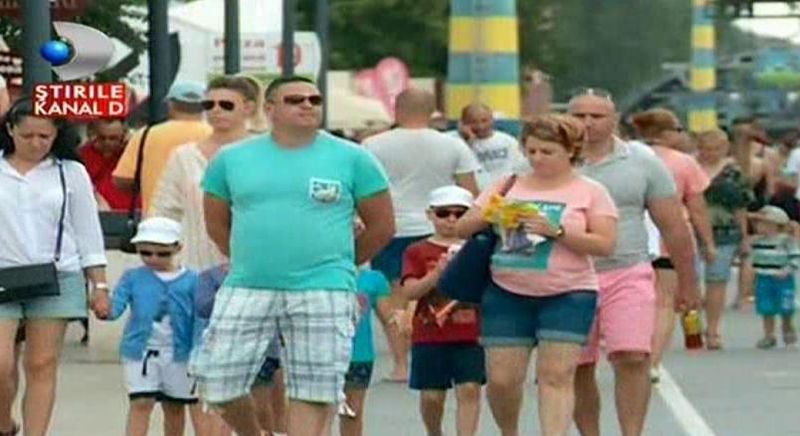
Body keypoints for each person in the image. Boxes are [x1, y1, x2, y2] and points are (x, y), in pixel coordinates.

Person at [189, 76, 394, 436]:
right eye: (295, 99)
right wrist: (251, 258)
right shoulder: (231, 159)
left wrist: (340, 265)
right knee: (218, 381)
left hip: (324, 287)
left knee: (315, 392)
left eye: (314, 99)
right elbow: (217, 224)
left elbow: (382, 226)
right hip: (247, 285)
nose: (307, 105)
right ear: (269, 109)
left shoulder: (354, 158)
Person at [457, 114, 618, 436]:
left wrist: (556, 231)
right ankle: (509, 431)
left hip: (569, 292)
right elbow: (462, 227)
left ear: (570, 151)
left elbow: (605, 244)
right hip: (507, 290)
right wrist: (492, 213)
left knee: (556, 375)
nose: (537, 158)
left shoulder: (590, 191)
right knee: (502, 380)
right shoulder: (507, 185)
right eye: (531, 151)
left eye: (547, 151)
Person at [568, 91, 699, 436]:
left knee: (632, 356)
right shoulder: (549, 159)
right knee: (577, 365)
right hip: (569, 277)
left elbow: (674, 225)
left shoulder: (642, 162)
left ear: (614, 120)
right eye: (579, 115)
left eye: (597, 116)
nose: (587, 123)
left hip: (627, 270)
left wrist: (688, 283)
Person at [150, 75, 267, 436]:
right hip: (195, 275)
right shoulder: (184, 156)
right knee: (200, 370)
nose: (216, 111)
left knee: (256, 375)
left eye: (226, 104)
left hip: (255, 277)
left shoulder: (266, 154)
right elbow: (163, 212)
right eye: (209, 104)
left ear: (248, 108)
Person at [0, 98, 109, 436]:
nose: (36, 143)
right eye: (27, 135)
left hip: (58, 275)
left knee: (42, 363)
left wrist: (99, 285)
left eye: (44, 136)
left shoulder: (70, 172)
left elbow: (87, 231)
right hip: (3, 273)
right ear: (10, 130)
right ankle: (4, 423)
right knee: (1, 363)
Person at [363, 88, 480, 382]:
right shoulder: (453, 145)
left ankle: (402, 364)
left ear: (396, 109)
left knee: (393, 295)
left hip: (392, 226)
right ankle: (440, 352)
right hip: (439, 225)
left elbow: (363, 189)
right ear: (432, 112)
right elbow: (470, 190)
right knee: (440, 293)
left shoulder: (373, 145)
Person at [629, 108, 715, 379]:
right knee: (664, 301)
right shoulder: (683, 162)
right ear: (664, 133)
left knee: (633, 298)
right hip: (670, 236)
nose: (681, 134)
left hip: (632, 237)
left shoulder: (627, 156)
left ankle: (634, 350)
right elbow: (697, 207)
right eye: (678, 129)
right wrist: (708, 242)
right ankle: (652, 362)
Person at [100, 217, 199, 436]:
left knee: (175, 407)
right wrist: (103, 308)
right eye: (145, 253)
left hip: (180, 354)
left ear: (178, 248)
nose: (153, 258)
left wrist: (199, 348)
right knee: (140, 402)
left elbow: (199, 319)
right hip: (140, 351)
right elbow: (115, 308)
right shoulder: (132, 278)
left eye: (162, 253)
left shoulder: (192, 280)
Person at [401, 186, 486, 436]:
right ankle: (434, 431)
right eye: (443, 213)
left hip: (471, 333)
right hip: (430, 334)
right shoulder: (417, 250)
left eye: (459, 214)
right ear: (430, 214)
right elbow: (410, 291)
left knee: (469, 388)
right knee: (432, 396)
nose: (451, 219)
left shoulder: (478, 247)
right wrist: (437, 273)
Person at [195, 264, 287, 436]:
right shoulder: (210, 276)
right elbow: (203, 307)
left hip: (265, 351)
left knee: (261, 407)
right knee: (224, 407)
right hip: (222, 351)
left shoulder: (272, 274)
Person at [113, 81, 213, 213]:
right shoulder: (217, 135)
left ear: (170, 104)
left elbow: (122, 180)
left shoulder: (146, 135)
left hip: (158, 217)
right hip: (205, 217)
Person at [696, 130, 753, 348]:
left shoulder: (733, 173)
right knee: (689, 281)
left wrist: (744, 237)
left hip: (725, 233)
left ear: (725, 149)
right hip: (691, 231)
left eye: (715, 149)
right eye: (706, 149)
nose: (710, 153)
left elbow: (741, 207)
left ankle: (712, 330)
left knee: (717, 280)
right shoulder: (690, 167)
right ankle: (693, 329)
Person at [323, 264, 390, 436]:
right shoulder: (321, 275)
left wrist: (401, 319)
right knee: (322, 412)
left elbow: (388, 317)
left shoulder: (372, 279)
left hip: (360, 355)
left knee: (352, 411)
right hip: (326, 354)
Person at [747, 206, 800, 349]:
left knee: (786, 307)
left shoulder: (786, 241)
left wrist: (787, 269)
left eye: (762, 223)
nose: (758, 226)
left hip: (783, 279)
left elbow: (795, 257)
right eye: (758, 223)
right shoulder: (758, 242)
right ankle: (769, 335)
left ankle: (788, 329)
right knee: (766, 308)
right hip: (764, 278)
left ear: (774, 225)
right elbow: (752, 259)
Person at [452, 103, 529, 189]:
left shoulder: (508, 141)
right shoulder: (458, 144)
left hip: (506, 190)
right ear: (464, 123)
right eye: (474, 122)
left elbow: (521, 168)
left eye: (484, 121)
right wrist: (468, 141)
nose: (480, 126)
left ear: (492, 120)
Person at [80, 118, 137, 211]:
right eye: (102, 138)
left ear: (124, 136)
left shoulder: (132, 154)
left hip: (128, 211)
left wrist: (134, 144)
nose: (107, 142)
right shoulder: (83, 156)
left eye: (113, 138)